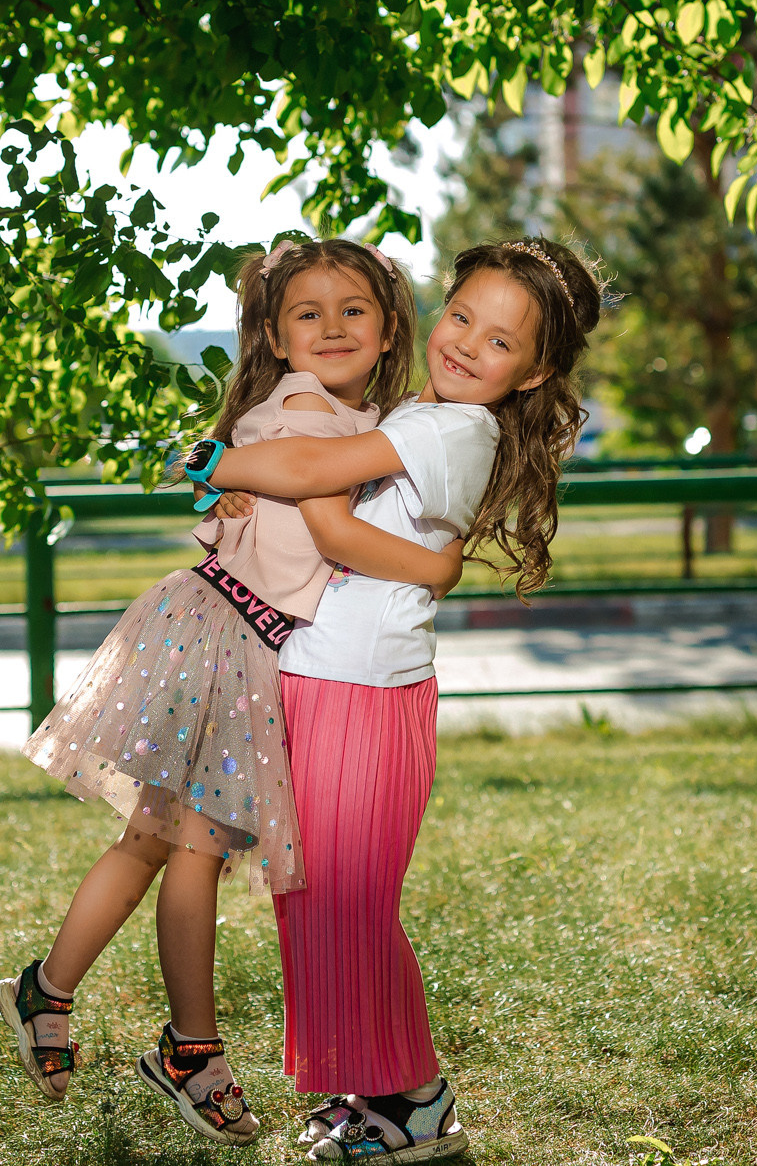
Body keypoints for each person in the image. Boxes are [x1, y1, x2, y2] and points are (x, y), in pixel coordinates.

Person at [0, 238, 462, 1147]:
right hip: (228, 639)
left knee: (150, 839)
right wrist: (436, 564)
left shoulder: (326, 409)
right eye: (307, 314)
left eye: (352, 310)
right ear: (278, 338)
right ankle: (190, 1051)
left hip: (208, 624)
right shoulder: (307, 413)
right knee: (193, 849)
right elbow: (331, 519)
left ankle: (46, 991)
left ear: (388, 324)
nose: (331, 327)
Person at [194, 237, 606, 1162]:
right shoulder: (419, 407)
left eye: (499, 341)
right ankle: (370, 1093)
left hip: (364, 691)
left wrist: (216, 463)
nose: (465, 344)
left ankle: (413, 1101)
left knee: (348, 904)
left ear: (534, 370)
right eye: (460, 316)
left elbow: (311, 491)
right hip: (318, 672)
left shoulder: (453, 428)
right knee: (316, 901)